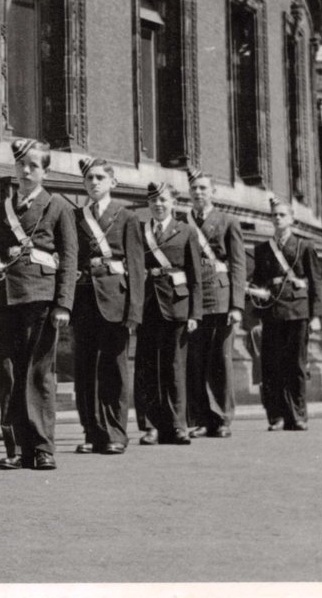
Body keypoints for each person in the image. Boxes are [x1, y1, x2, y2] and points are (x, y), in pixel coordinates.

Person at [0, 138, 77, 471]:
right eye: (21, 165)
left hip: (41, 298)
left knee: (38, 374)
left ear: (45, 172)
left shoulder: (58, 207)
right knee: (9, 374)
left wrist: (63, 304)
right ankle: (15, 448)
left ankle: (41, 448)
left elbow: (69, 258)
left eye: (33, 166)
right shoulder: (0, 210)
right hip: (7, 297)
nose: (25, 171)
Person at [71, 156, 144, 455]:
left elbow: (136, 266)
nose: (94, 182)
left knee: (114, 369)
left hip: (116, 300)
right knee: (85, 370)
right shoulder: (76, 216)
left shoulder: (126, 217)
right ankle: (91, 432)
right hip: (84, 300)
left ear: (113, 182)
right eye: (89, 178)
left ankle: (115, 433)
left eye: (100, 177)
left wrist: (134, 311)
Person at [136, 181, 202, 446]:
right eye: (153, 200)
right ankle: (151, 426)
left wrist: (195, 313)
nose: (158, 204)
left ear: (173, 203)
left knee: (175, 367)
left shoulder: (186, 231)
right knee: (148, 367)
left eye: (163, 199)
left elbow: (195, 276)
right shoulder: (141, 231)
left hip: (177, 304)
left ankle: (177, 425)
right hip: (148, 305)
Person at [250, 196, 322, 431]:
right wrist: (256, 292)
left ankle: (298, 416)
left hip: (297, 311)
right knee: (271, 366)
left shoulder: (304, 246)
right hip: (272, 312)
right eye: (274, 215)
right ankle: (277, 417)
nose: (278, 218)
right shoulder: (262, 249)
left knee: (296, 365)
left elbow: (315, 281)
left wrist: (316, 316)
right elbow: (258, 281)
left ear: (292, 219)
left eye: (282, 215)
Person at [183, 168, 246, 438]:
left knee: (220, 359)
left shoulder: (227, 221)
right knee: (194, 360)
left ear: (213, 192)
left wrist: (237, 305)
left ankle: (222, 419)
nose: (198, 192)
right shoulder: (183, 222)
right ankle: (200, 418)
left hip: (220, 296)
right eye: (194, 188)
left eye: (203, 188)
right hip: (193, 297)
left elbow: (238, 265)